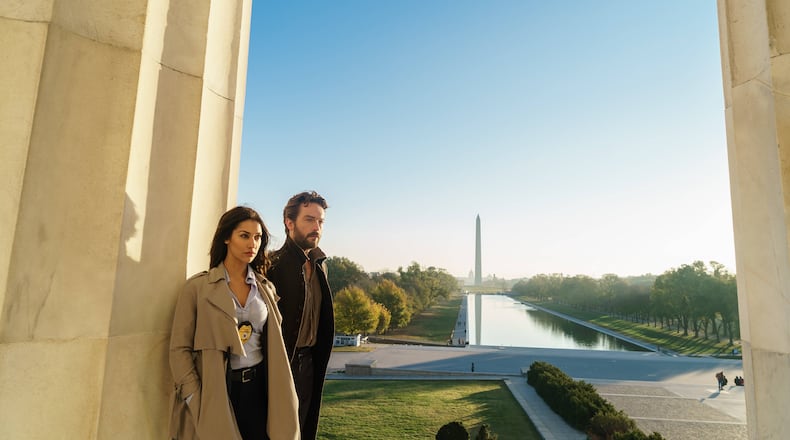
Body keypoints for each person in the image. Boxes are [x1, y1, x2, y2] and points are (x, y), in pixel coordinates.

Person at [168, 206, 299, 440]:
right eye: (244, 236)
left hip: (260, 388)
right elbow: (179, 349)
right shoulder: (197, 289)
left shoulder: (265, 289)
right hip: (217, 390)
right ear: (227, 237)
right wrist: (194, 397)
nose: (253, 244)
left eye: (258, 237)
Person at [268, 191, 335, 440]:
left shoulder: (320, 265)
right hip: (278, 367)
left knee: (303, 431)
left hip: (309, 365)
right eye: (309, 219)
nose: (316, 227)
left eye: (320, 221)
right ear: (289, 222)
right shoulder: (270, 265)